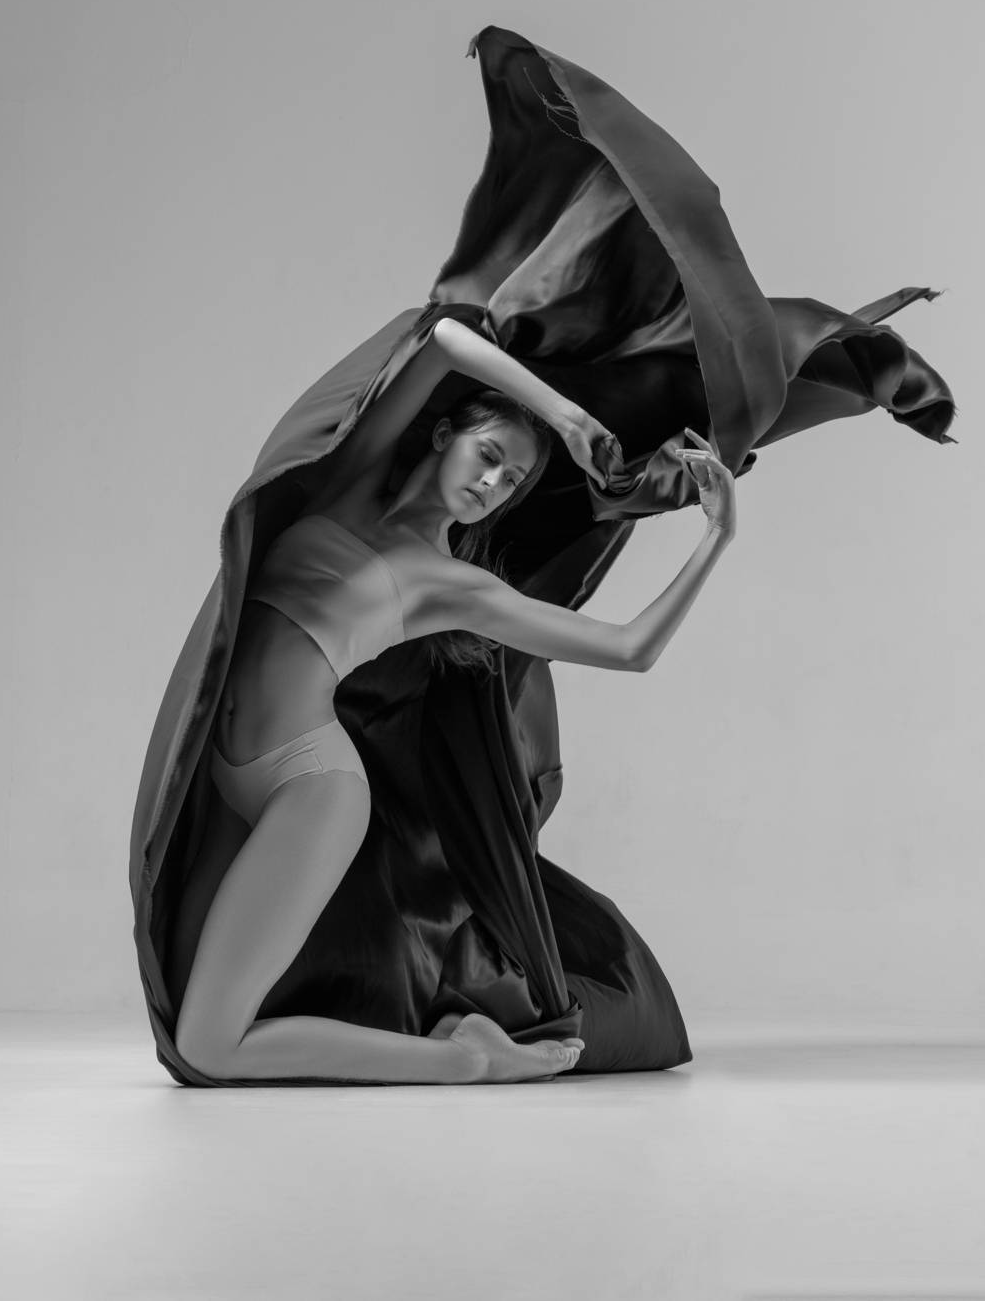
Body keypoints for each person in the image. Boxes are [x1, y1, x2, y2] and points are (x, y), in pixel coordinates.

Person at [173, 314, 736, 1084]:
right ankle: (452, 1047)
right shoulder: (352, 483)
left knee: (208, 1047)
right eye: (489, 455)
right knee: (190, 1016)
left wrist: (715, 539)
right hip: (224, 767)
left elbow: (630, 647)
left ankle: (465, 1059)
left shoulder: (455, 585)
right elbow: (439, 339)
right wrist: (565, 419)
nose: (491, 484)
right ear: (443, 434)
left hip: (309, 786)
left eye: (510, 481)